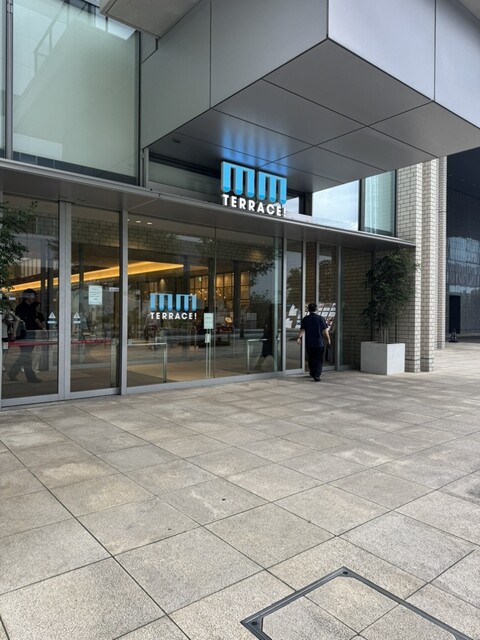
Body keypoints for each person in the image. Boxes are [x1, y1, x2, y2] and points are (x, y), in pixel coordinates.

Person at [8, 289, 44, 383]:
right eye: (32, 296)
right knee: (26, 355)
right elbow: (34, 320)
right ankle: (30, 377)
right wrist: (43, 329)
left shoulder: (27, 307)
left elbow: (35, 319)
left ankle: (12, 373)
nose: (34, 298)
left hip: (28, 333)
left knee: (25, 355)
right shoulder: (23, 307)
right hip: (25, 334)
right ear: (27, 296)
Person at [296, 302, 330, 381]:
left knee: (311, 358)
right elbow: (325, 331)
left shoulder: (305, 319)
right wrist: (328, 339)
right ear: (316, 309)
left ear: (308, 309)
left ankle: (312, 372)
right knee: (318, 359)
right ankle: (317, 375)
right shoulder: (321, 318)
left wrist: (299, 337)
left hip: (309, 343)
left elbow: (302, 330)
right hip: (319, 343)